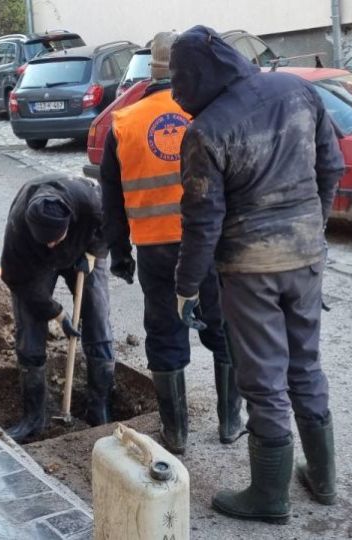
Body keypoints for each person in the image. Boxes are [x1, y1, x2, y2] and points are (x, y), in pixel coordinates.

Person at [170, 26, 346, 523]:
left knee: (265, 379)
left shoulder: (205, 130)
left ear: (196, 75)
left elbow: (202, 220)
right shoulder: (297, 90)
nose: (178, 90)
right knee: (306, 364)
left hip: (250, 270)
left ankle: (269, 497)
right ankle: (324, 479)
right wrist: (314, 224)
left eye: (179, 78)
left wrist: (186, 286)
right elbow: (332, 165)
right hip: (306, 256)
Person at [99, 32, 242, 455]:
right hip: (213, 245)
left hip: (156, 251)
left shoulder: (124, 123)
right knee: (224, 328)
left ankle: (176, 434)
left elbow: (112, 197)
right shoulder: (211, 114)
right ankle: (230, 424)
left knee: (164, 333)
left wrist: (120, 253)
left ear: (150, 69)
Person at [0, 173, 114, 443]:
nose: (51, 244)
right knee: (29, 328)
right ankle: (33, 417)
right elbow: (17, 280)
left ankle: (100, 407)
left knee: (97, 318)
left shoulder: (89, 200)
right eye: (46, 241)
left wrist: (94, 252)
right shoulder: (20, 229)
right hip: (36, 265)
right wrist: (57, 312)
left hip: (83, 250)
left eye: (55, 238)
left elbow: (111, 225)